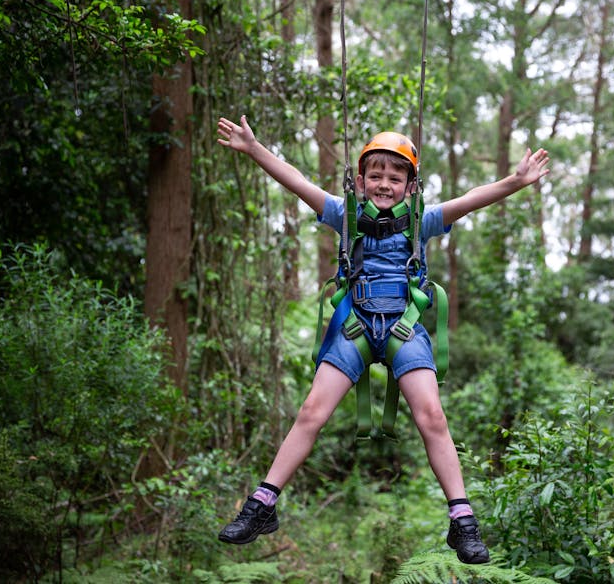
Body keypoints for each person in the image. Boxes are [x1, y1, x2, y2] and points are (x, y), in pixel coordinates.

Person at [215, 115, 550, 565]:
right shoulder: (344, 214)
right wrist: (255, 149)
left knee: (432, 415)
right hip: (353, 325)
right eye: (376, 175)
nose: (384, 184)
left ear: (411, 186)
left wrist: (516, 180)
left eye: (395, 177)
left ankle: (462, 520)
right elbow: (297, 182)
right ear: (359, 180)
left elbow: (470, 200)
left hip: (403, 326)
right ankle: (262, 505)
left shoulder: (423, 220)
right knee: (312, 411)